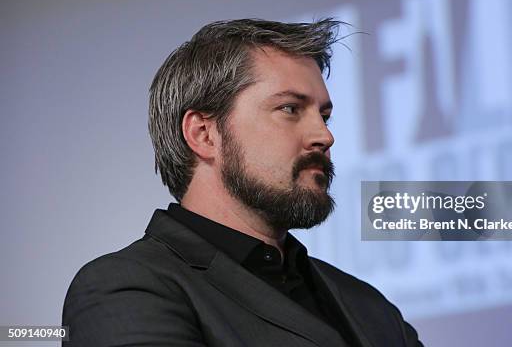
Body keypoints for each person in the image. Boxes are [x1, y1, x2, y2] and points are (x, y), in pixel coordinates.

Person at [62, 18, 423, 346]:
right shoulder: (128, 288)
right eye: (290, 109)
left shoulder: (369, 306)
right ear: (204, 134)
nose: (324, 135)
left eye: (324, 115)